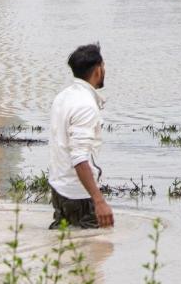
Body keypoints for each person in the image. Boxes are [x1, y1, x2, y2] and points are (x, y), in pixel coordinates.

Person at [48, 43, 113, 229]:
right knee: (97, 250)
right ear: (98, 70)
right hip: (79, 195)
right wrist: (99, 201)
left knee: (68, 248)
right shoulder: (85, 105)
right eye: (104, 66)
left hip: (59, 189)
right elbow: (79, 158)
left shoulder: (63, 97)